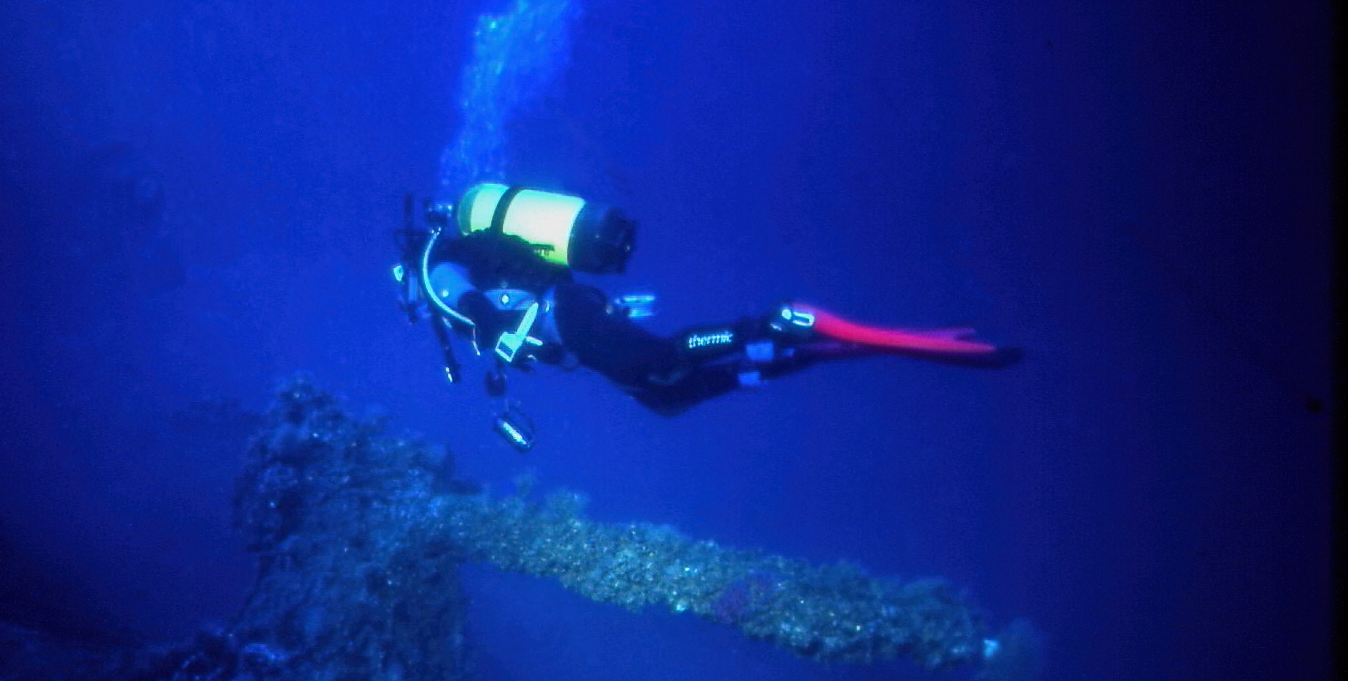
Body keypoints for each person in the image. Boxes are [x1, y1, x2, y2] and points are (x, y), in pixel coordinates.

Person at [393, 184, 1021, 450]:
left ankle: (778, 324)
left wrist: (490, 336)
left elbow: (466, 307)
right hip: (574, 321)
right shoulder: (461, 250)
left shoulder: (436, 268)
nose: (415, 305)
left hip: (568, 318)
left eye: (408, 296)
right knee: (668, 398)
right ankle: (792, 354)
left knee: (664, 361)